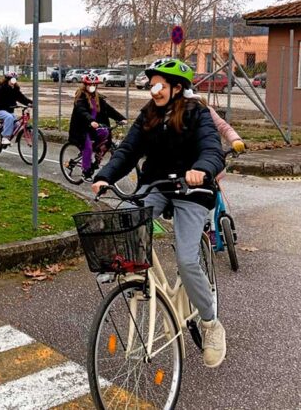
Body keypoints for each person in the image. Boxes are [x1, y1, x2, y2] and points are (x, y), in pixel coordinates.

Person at [91, 57, 227, 368]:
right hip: (157, 186)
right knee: (126, 221)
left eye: (159, 84)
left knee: (187, 259)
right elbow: (128, 150)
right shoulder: (148, 115)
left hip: (192, 190)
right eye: (151, 84)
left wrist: (201, 170)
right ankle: (142, 289)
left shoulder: (197, 113)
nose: (154, 89)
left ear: (177, 88)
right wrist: (104, 176)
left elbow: (211, 149)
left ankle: (210, 324)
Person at [68, 73, 126, 181]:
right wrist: (91, 121)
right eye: (90, 84)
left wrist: (121, 118)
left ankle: (97, 154)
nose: (92, 86)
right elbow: (82, 112)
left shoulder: (98, 98)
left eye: (94, 84)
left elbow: (109, 110)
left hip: (95, 128)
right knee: (88, 148)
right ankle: (86, 171)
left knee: (106, 135)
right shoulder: (80, 98)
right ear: (85, 85)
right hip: (82, 129)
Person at [0, 72, 32, 146]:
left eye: (15, 80)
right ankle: (5, 137)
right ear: (7, 80)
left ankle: (8, 138)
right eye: (11, 80)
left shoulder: (15, 89)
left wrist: (30, 103)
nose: (13, 82)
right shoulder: (3, 87)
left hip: (9, 110)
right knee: (9, 117)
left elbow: (21, 98)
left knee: (17, 125)